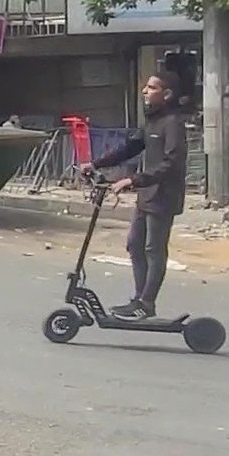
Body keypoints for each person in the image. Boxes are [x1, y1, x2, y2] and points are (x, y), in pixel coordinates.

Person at [80, 72, 189, 319]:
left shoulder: (172, 123)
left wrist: (133, 180)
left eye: (151, 88)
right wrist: (96, 164)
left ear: (167, 94)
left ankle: (146, 303)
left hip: (163, 196)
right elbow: (130, 148)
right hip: (146, 195)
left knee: (153, 249)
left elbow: (172, 163)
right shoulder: (153, 121)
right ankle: (139, 300)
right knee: (134, 245)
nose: (145, 91)